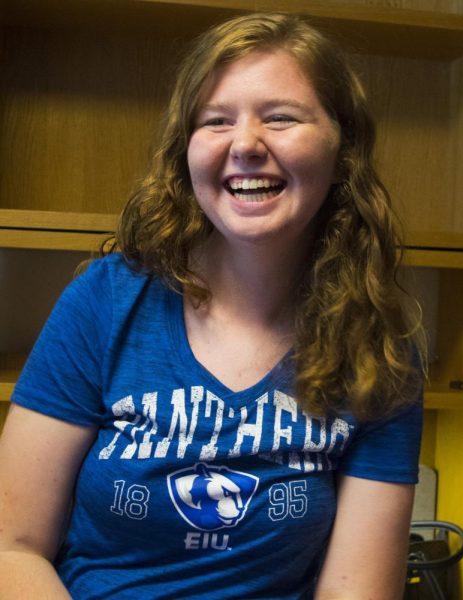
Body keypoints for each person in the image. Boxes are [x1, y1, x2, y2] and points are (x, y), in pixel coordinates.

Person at [0, 12, 424, 599]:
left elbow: (356, 591)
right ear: (187, 152)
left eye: (281, 118)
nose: (246, 144)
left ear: (342, 150)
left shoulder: (379, 343)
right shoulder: (104, 301)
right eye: (215, 121)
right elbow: (12, 548)